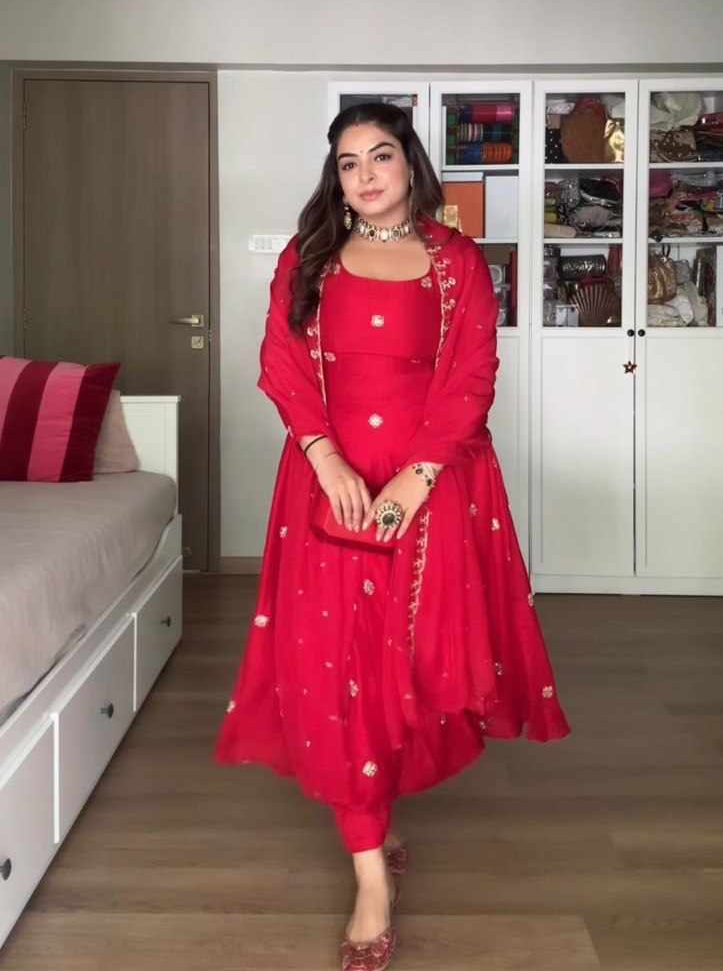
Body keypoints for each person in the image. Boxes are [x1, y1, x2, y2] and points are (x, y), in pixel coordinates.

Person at [215, 102, 571, 971]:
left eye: (380, 156)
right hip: (330, 486)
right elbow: (281, 365)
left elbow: (472, 375)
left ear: (409, 164)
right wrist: (326, 458)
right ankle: (370, 874)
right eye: (348, 163)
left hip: (431, 488)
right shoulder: (310, 258)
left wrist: (415, 478)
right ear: (334, 179)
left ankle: (375, 812)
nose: (365, 175)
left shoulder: (455, 261)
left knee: (403, 666)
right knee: (335, 668)